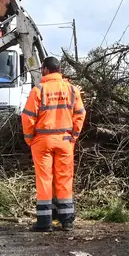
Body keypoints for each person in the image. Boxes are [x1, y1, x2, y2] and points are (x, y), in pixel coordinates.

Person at [21, 56, 85, 232]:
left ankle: (45, 222)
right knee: (64, 179)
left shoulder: (38, 90)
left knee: (44, 179)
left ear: (46, 70)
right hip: (65, 140)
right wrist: (74, 136)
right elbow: (80, 114)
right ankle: (67, 220)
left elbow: (27, 117)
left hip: (42, 140)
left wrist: (29, 139)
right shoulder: (72, 90)